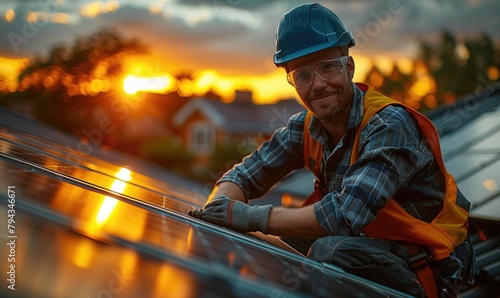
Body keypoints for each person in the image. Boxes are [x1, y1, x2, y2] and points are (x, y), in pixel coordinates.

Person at [189, 3, 475, 297]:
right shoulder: (305, 127)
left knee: (328, 250)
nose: (318, 85)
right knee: (276, 237)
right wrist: (218, 210)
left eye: (327, 67)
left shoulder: (389, 125)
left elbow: (345, 215)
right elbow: (244, 176)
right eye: (302, 75)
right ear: (292, 81)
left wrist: (247, 216)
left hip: (430, 263)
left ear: (348, 68)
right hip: (369, 244)